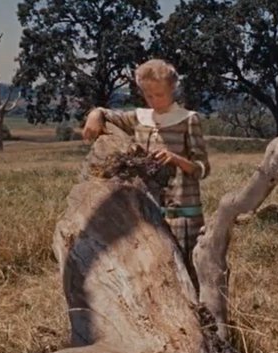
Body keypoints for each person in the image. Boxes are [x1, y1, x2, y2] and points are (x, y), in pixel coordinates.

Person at [82, 59, 210, 276]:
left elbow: (202, 169)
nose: (154, 101)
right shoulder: (139, 118)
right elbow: (107, 114)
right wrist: (95, 114)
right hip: (147, 211)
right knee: (155, 270)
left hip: (182, 214)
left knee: (186, 269)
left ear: (173, 88)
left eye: (160, 95)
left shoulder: (188, 120)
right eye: (148, 95)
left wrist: (175, 159)